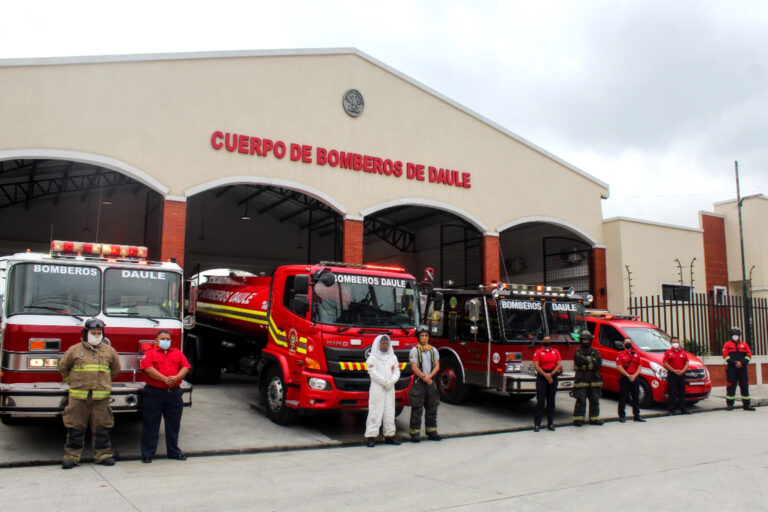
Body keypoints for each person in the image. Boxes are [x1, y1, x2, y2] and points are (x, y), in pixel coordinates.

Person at [58, 318, 121, 469]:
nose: (96, 335)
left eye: (99, 333)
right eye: (93, 333)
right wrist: (72, 381)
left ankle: (103, 455)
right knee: (75, 426)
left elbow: (115, 370)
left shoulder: (109, 351)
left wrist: (103, 382)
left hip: (101, 398)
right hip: (78, 397)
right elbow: (63, 367)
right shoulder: (74, 350)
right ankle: (71, 457)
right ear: (86, 333)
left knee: (102, 427)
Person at [140, 330, 191, 463]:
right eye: (163, 338)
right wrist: (164, 379)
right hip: (154, 394)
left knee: (173, 424)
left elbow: (185, 367)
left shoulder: (177, 353)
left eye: (168, 339)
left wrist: (176, 378)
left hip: (174, 393)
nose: (166, 341)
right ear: (156, 341)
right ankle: (147, 453)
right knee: (151, 424)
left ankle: (174, 452)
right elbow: (148, 369)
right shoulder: (149, 354)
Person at [364, 334, 401, 447]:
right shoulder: (372, 358)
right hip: (377, 388)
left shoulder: (393, 357)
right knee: (375, 411)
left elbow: (397, 371)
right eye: (383, 343)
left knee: (389, 411)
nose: (385, 346)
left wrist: (391, 381)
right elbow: (372, 372)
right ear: (378, 344)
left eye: (386, 343)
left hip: (390, 388)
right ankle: (371, 436)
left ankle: (390, 435)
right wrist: (384, 382)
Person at [409, 324, 441, 442]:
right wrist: (424, 377)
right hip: (419, 383)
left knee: (432, 407)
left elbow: (437, 366)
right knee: (417, 408)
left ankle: (432, 432)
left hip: (430, 382)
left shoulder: (434, 350)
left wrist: (430, 377)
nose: (424, 337)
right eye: (422, 335)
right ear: (418, 337)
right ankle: (415, 433)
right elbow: (414, 367)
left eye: (426, 335)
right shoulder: (414, 350)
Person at [572, 330, 603, 426]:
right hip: (582, 379)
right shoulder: (577, 351)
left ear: (590, 340)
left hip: (594, 380)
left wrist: (586, 361)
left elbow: (598, 363)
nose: (586, 342)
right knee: (581, 400)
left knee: (595, 400)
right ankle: (578, 419)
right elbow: (579, 361)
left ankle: (594, 418)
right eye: (584, 340)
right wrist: (591, 360)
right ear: (581, 340)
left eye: (587, 340)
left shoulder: (596, 351)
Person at [722, 327, 756, 411]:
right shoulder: (727, 344)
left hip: (743, 368)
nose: (735, 336)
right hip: (731, 368)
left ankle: (746, 405)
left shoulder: (744, 345)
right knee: (731, 386)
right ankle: (730, 404)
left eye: (736, 335)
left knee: (744, 386)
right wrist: (735, 363)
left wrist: (743, 363)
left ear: (739, 336)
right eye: (733, 335)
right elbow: (725, 356)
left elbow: (749, 355)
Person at [533, 335, 562, 432]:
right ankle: (537, 424)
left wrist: (551, 374)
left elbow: (559, 364)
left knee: (551, 401)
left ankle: (551, 423)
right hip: (542, 377)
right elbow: (536, 366)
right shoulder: (538, 352)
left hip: (553, 376)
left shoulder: (556, 351)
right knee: (540, 401)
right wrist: (546, 375)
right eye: (545, 340)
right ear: (542, 341)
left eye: (549, 340)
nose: (547, 341)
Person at [616, 338, 645, 423]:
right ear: (623, 345)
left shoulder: (636, 354)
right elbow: (619, 367)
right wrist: (628, 375)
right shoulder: (620, 355)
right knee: (623, 398)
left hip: (634, 378)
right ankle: (622, 416)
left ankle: (637, 415)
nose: (629, 344)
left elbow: (640, 366)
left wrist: (635, 375)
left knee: (636, 397)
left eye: (630, 342)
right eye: (627, 343)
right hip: (625, 378)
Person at [663, 337, 691, 415]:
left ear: (679, 343)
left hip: (681, 374)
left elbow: (687, 363)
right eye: (674, 342)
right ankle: (671, 410)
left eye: (677, 342)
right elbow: (665, 363)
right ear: (671, 343)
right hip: (672, 374)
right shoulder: (668, 352)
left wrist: (683, 371)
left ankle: (683, 409)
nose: (675, 343)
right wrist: (674, 371)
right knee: (672, 393)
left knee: (682, 392)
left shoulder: (683, 352)